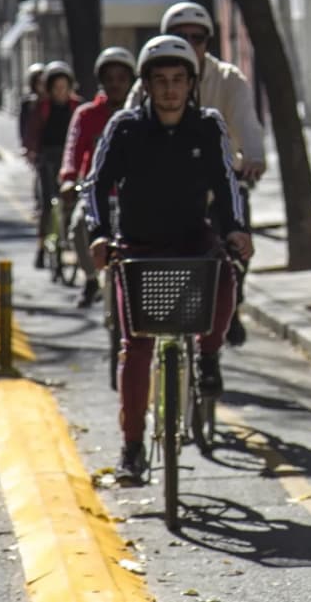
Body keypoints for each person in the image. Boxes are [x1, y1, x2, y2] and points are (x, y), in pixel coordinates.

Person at [85, 35, 253, 483]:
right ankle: (132, 448)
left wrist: (236, 229)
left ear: (192, 83)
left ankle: (208, 356)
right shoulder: (125, 128)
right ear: (146, 85)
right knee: (135, 347)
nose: (170, 89)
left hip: (193, 243)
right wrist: (98, 236)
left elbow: (227, 185)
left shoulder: (208, 125)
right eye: (160, 81)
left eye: (179, 80)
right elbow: (96, 185)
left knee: (226, 276)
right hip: (137, 249)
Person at [129, 1, 266, 346]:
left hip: (220, 185)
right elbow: (126, 129)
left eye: (198, 37)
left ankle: (229, 310)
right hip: (163, 193)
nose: (190, 43)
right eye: (180, 36)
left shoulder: (228, 80)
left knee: (235, 246)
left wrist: (254, 158)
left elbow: (248, 126)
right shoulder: (147, 84)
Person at [58, 46, 137, 308]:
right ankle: (91, 278)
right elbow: (72, 151)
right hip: (96, 194)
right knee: (79, 225)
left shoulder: (140, 115)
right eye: (109, 79)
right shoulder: (86, 115)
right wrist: (69, 178)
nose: (115, 85)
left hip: (133, 196)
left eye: (121, 78)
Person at [26, 61, 82, 269]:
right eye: (56, 88)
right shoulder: (42, 107)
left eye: (64, 87)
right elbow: (33, 133)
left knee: (74, 202)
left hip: (71, 159)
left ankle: (73, 242)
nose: (60, 92)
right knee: (48, 205)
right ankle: (41, 249)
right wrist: (33, 152)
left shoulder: (77, 106)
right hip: (47, 158)